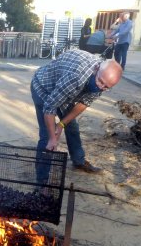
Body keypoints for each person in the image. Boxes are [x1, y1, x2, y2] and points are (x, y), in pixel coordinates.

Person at [30, 50, 123, 179]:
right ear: (96, 69)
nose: (101, 87)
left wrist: (62, 124)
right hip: (43, 87)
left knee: (72, 127)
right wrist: (53, 138)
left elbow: (84, 102)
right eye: (100, 82)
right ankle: (42, 181)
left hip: (64, 89)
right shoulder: (76, 77)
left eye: (106, 87)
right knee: (46, 136)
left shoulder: (103, 80)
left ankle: (79, 161)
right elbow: (50, 107)